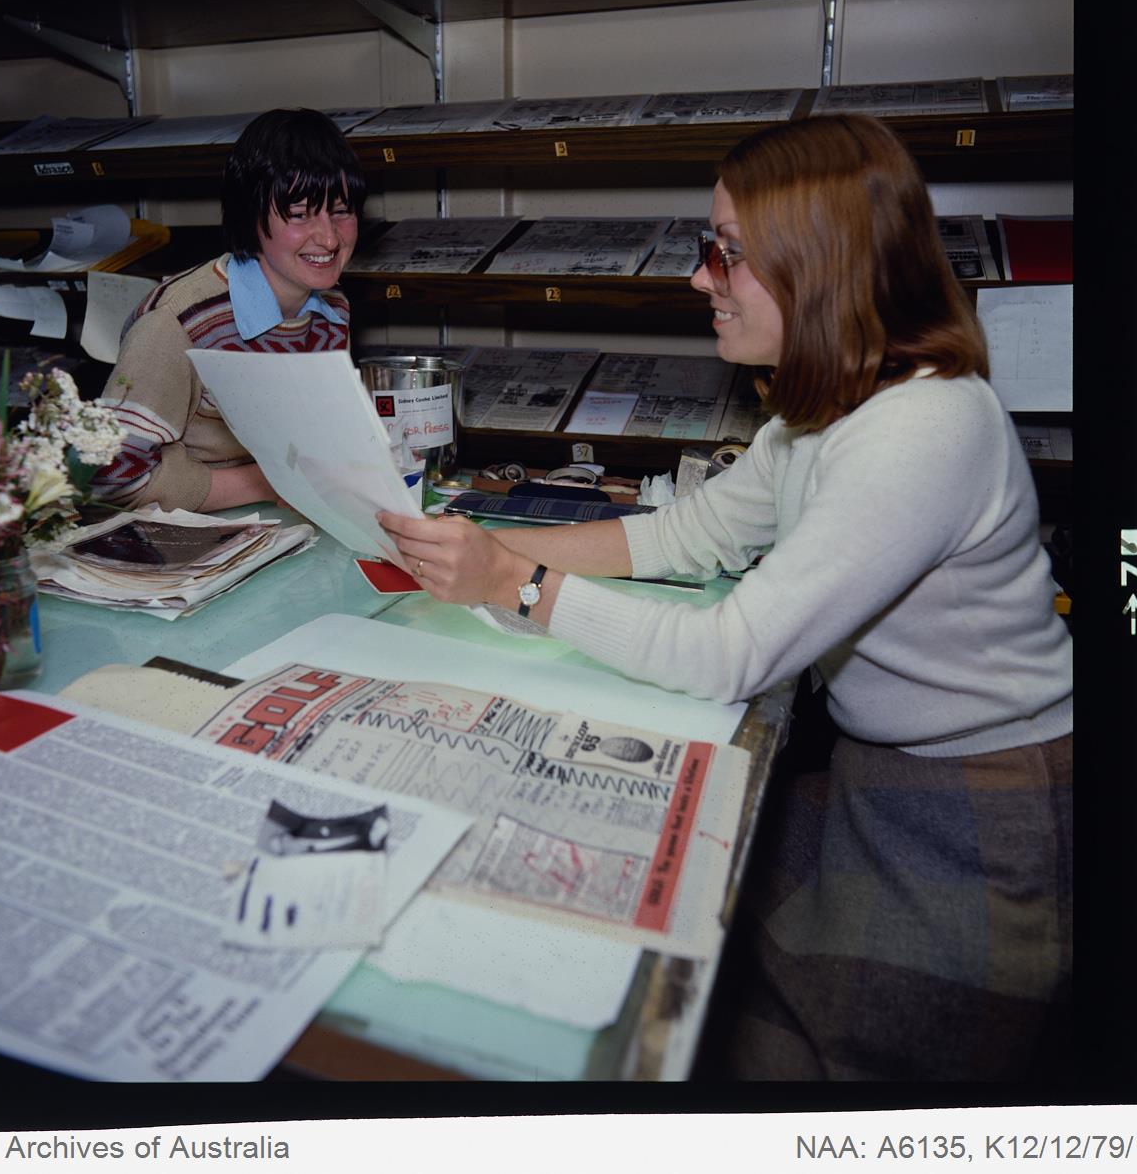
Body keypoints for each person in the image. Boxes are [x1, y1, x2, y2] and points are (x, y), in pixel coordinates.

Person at [378, 114, 1073, 1081]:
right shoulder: (824, 415)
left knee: (804, 1064)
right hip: (881, 778)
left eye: (728, 255)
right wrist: (485, 547)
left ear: (815, 266)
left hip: (980, 812)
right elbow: (677, 533)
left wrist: (519, 586)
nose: (701, 277)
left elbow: (729, 655)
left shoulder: (923, 430)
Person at [92, 108, 365, 511]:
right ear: (250, 215)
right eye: (298, 214)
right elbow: (109, 480)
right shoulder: (176, 324)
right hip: (188, 539)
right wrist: (268, 483)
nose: (328, 238)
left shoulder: (333, 308)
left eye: (341, 210)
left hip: (281, 520)